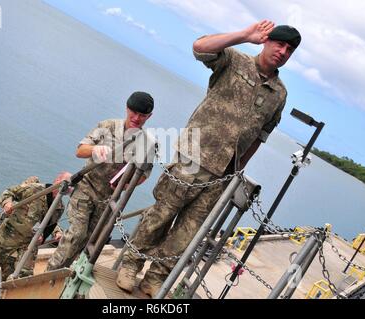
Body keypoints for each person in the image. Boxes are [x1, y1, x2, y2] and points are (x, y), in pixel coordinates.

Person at [116, 21, 301, 297]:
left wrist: (238, 171)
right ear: (266, 41)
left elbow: (261, 135)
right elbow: (199, 47)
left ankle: (156, 277)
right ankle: (131, 263)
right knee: (161, 214)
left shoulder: (280, 94)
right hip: (193, 156)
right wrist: (243, 35)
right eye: (279, 44)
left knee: (188, 231)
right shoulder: (235, 60)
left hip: (224, 172)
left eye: (289, 49)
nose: (283, 51)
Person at [46, 92, 155, 271]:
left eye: (142, 115)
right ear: (127, 108)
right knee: (77, 234)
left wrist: (127, 184)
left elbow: (144, 174)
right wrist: (96, 149)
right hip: (86, 188)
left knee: (90, 240)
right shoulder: (107, 126)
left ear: (149, 116)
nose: (136, 118)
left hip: (109, 198)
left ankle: (62, 272)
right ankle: (50, 272)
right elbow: (80, 150)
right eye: (133, 112)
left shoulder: (146, 144)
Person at [0, 172, 71, 281]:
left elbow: (51, 224)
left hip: (28, 243)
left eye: (70, 186)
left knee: (21, 274)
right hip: (9, 236)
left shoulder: (59, 207)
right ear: (57, 180)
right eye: (67, 184)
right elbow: (9, 192)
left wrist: (45, 236)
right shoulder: (36, 190)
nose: (68, 188)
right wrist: (7, 204)